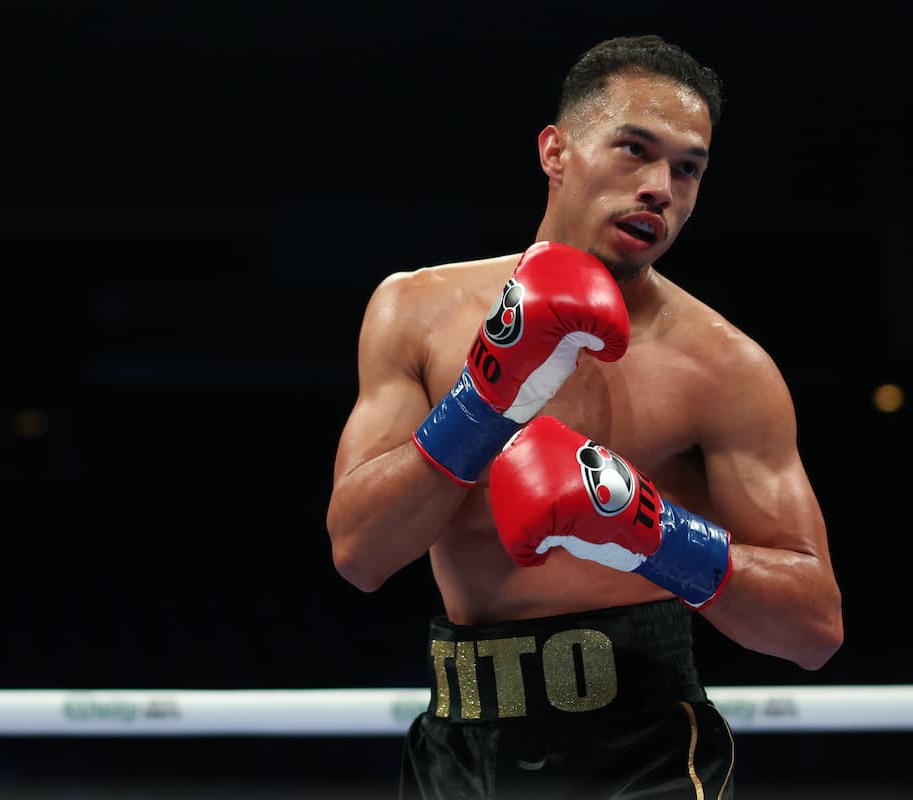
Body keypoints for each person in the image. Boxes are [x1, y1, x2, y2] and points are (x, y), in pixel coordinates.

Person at [325, 34, 843, 799]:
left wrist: (651, 532)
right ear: (555, 151)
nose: (660, 188)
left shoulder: (725, 367)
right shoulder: (418, 311)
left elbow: (813, 629)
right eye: (636, 149)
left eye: (688, 169)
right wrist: (486, 401)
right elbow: (359, 554)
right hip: (460, 748)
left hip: (648, 755)